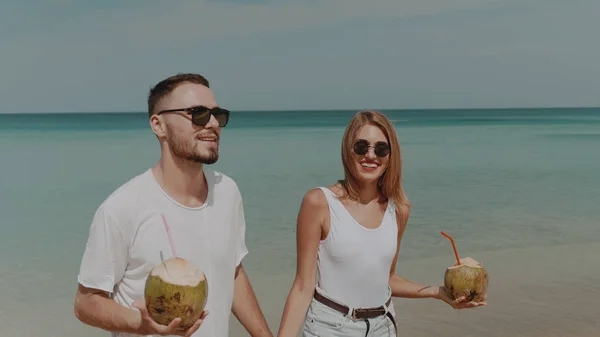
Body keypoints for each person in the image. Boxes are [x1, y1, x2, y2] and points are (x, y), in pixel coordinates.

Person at [73, 73, 273, 337]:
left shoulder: (228, 192)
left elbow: (231, 271)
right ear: (158, 125)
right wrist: (139, 323)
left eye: (217, 114)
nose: (212, 123)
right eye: (197, 113)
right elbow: (86, 303)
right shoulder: (122, 208)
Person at [277, 110, 487, 337]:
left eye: (380, 149)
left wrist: (438, 292)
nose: (370, 155)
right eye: (361, 147)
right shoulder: (319, 202)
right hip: (331, 327)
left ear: (390, 156)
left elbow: (387, 279)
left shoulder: (399, 210)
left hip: (383, 326)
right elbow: (302, 286)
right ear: (348, 150)